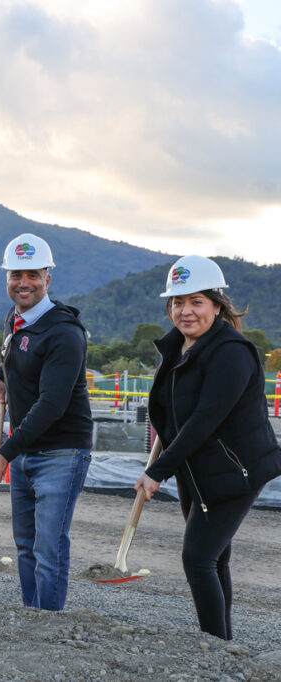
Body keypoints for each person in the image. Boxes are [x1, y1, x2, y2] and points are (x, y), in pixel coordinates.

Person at [135, 255, 281, 640]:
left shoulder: (232, 352)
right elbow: (175, 412)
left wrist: (157, 471)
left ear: (217, 306)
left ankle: (213, 647)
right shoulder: (176, 349)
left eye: (196, 302)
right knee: (215, 559)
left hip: (238, 471)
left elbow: (206, 419)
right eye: (177, 302)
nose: (185, 311)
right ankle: (222, 641)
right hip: (198, 468)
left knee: (198, 558)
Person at [0, 233, 93, 611]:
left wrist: (5, 450)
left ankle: (48, 624)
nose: (23, 283)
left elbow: (52, 403)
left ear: (48, 277)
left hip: (62, 452)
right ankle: (31, 616)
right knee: (25, 545)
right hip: (26, 450)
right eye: (16, 275)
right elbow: (12, 351)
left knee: (48, 546)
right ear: (8, 278)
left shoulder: (64, 332)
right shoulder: (14, 319)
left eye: (32, 275)